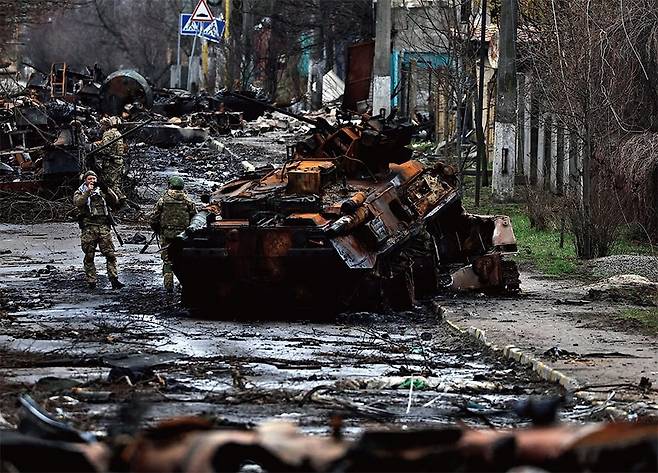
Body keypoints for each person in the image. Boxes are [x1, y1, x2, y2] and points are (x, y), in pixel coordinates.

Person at [73, 170, 124, 290]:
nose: (92, 181)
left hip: (103, 227)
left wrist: (106, 189)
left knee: (110, 254)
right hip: (89, 228)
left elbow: (115, 200)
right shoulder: (80, 191)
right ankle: (91, 281)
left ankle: (114, 279)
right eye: (89, 179)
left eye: (94, 179)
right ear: (85, 181)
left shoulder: (101, 191)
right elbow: (78, 203)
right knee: (89, 255)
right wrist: (88, 192)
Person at [150, 176, 196, 292]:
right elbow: (195, 218)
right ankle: (184, 284)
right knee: (183, 260)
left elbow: (154, 218)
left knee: (167, 261)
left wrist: (157, 229)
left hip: (167, 235)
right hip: (183, 237)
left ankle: (169, 286)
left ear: (170, 185)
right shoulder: (188, 200)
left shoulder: (163, 200)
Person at [92, 117, 125, 205]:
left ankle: (120, 202)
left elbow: (105, 150)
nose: (100, 127)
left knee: (108, 183)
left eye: (101, 125)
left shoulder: (107, 133)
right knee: (115, 183)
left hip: (111, 162)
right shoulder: (117, 132)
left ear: (105, 125)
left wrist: (95, 149)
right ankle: (120, 201)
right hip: (118, 161)